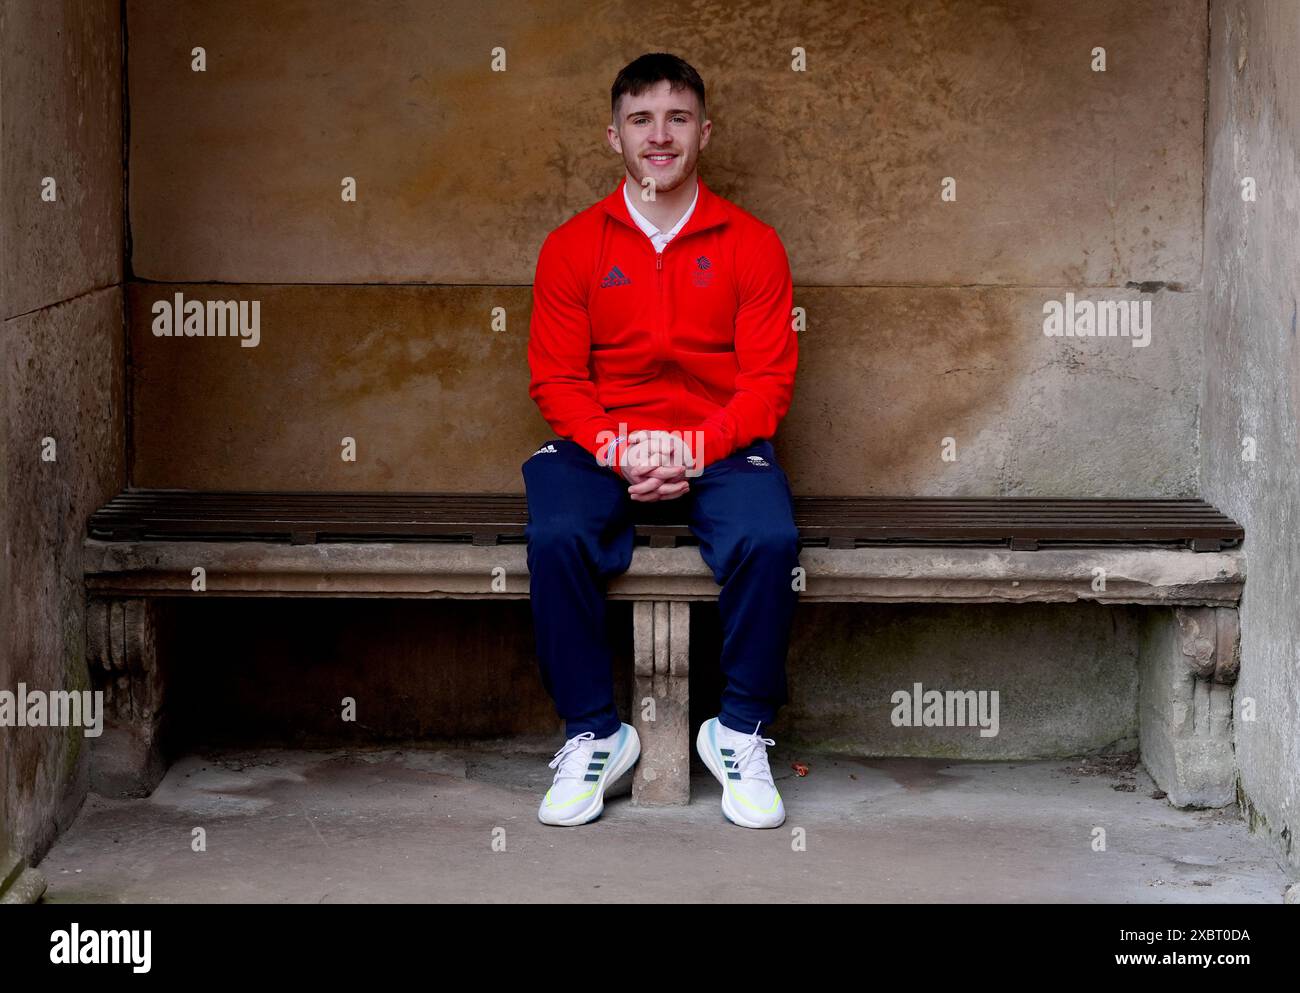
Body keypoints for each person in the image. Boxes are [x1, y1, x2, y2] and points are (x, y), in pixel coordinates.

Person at [522, 52, 801, 829]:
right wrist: (620, 448)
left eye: (677, 118)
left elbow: (767, 383)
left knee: (769, 536)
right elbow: (555, 380)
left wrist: (692, 448)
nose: (659, 135)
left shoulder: (752, 244)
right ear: (613, 137)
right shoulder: (573, 246)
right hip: (603, 440)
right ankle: (595, 732)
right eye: (641, 119)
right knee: (556, 531)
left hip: (716, 441)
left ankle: (739, 727)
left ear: (703, 132)